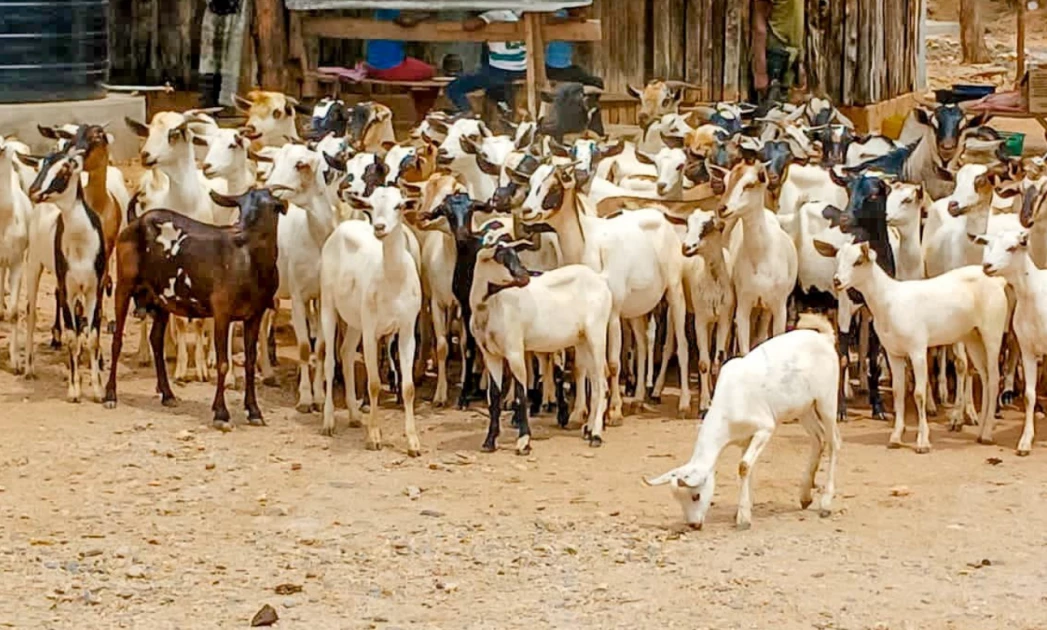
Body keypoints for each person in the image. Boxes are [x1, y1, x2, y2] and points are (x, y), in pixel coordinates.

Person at [446, 10, 527, 114]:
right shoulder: (528, 14)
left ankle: (468, 113)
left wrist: (482, 16)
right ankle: (501, 104)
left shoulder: (498, 14)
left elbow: (469, 25)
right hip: (523, 69)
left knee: (454, 88)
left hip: (498, 71)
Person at [751, 0, 806, 105]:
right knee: (769, 112)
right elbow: (759, 25)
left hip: (793, 52)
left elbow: (797, 18)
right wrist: (760, 72)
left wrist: (801, 59)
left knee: (789, 111)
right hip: (775, 52)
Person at [365, 9, 436, 82]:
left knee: (423, 67)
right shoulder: (391, 8)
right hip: (390, 68)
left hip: (373, 66)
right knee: (430, 71)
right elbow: (406, 21)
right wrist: (425, 16)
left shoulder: (381, 11)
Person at [544, 8, 604, 89]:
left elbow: (584, 50)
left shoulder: (563, 16)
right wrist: (576, 20)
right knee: (597, 82)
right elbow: (556, 20)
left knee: (580, 72)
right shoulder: (561, 14)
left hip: (557, 68)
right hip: (557, 70)